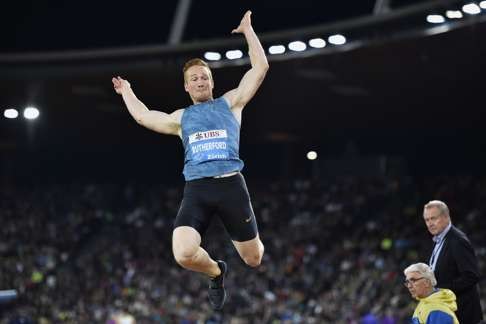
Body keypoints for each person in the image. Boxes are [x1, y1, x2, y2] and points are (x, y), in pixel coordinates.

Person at [112, 10, 268, 310]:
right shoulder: (181, 118)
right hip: (197, 189)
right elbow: (145, 116)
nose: (199, 81)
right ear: (186, 86)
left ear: (211, 82)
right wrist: (127, 92)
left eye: (204, 77)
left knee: (253, 259)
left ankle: (252, 245)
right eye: (194, 78)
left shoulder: (231, 102)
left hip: (231, 186)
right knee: (183, 254)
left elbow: (260, 67)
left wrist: (248, 31)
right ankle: (217, 271)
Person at [423, 200, 483, 324]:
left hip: (464, 316)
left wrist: (440, 290)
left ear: (446, 217)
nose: (429, 224)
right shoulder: (439, 240)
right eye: (427, 220)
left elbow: (471, 276)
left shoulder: (457, 240)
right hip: (449, 314)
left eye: (433, 218)